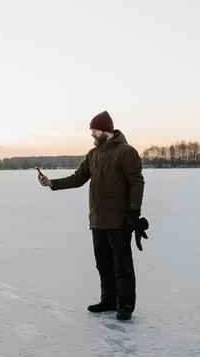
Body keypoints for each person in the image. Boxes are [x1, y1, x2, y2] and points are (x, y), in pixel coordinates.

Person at [37, 111, 146, 321]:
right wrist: (52, 183)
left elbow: (136, 182)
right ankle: (108, 301)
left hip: (119, 220)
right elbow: (78, 178)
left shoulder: (126, 152)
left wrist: (134, 211)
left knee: (122, 265)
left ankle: (125, 305)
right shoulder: (92, 154)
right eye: (91, 131)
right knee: (103, 263)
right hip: (97, 219)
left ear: (106, 130)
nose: (92, 135)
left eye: (95, 131)